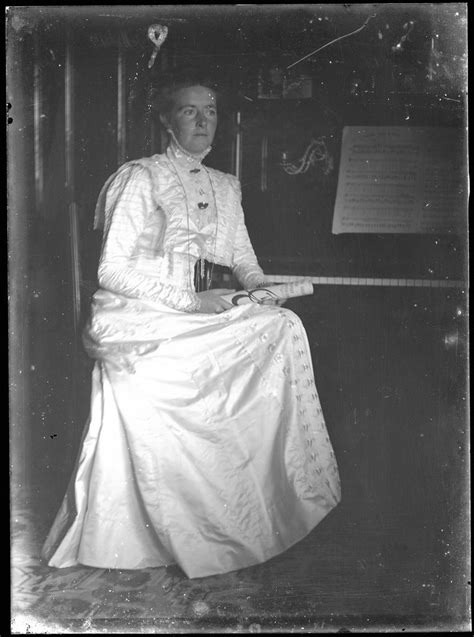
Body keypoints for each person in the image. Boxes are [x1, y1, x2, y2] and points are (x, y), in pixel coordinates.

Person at [41, 66, 341, 579]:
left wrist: (259, 287)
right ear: (166, 120)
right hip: (139, 312)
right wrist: (188, 300)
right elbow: (112, 269)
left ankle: (255, 506)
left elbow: (244, 257)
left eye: (211, 111)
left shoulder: (227, 185)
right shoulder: (141, 176)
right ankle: (189, 525)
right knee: (177, 364)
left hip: (198, 305)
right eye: (189, 111)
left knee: (282, 325)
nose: (204, 121)